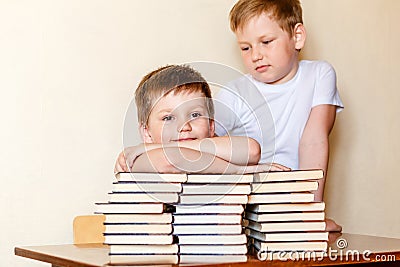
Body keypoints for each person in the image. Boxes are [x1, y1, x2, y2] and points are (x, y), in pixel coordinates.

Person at [213, 0, 343, 231]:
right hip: (245, 210)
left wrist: (310, 212)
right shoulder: (234, 93)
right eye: (245, 48)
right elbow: (204, 149)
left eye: (266, 42)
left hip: (297, 203)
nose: (256, 55)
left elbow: (314, 141)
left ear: (298, 36)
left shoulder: (319, 75)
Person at [114, 64, 289, 174]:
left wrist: (161, 146)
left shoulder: (142, 150)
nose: (185, 127)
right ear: (147, 133)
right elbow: (170, 161)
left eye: (195, 115)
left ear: (211, 126)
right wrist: (238, 170)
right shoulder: (134, 159)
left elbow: (251, 150)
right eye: (168, 118)